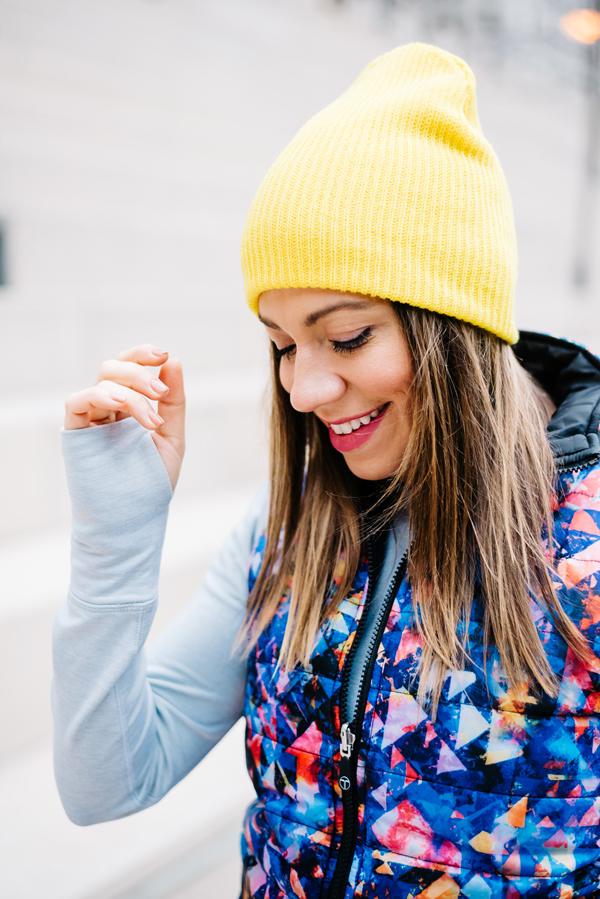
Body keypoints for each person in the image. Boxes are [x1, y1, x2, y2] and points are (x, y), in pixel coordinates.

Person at [53, 43, 600, 899]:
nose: (305, 388)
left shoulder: (588, 548)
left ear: (452, 326)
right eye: (282, 344)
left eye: (347, 336)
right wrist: (113, 537)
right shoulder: (287, 531)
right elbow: (105, 782)